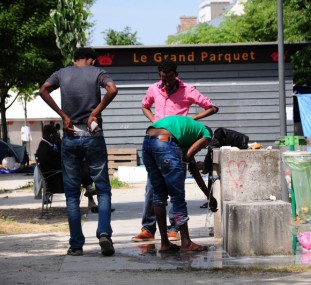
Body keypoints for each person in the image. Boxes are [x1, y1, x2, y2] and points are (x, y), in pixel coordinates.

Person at [39, 47, 118, 257]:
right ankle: (104, 234)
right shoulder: (97, 72)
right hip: (93, 135)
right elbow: (112, 89)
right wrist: (95, 112)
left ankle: (76, 245)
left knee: (72, 195)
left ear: (74, 59)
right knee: (102, 188)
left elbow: (43, 90)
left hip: (71, 136)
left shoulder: (61, 73)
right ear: (92, 59)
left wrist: (63, 115)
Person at [133, 59, 218, 242]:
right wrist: (154, 121)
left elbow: (212, 107)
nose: (166, 82)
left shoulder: (188, 90)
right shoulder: (154, 88)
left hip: (177, 141)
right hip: (159, 138)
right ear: (159, 75)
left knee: (175, 186)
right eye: (163, 78)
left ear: (176, 75)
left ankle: (174, 228)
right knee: (153, 188)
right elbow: (145, 105)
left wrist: (192, 119)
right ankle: (148, 228)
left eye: (170, 78)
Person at [142, 115, 213, 252]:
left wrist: (208, 196)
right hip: (165, 143)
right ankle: (186, 242)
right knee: (177, 196)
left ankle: (164, 243)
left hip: (147, 143)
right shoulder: (206, 133)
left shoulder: (184, 133)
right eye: (201, 147)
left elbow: (191, 167)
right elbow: (188, 157)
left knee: (158, 195)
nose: (199, 149)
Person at [35, 124, 98, 209]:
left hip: (57, 177)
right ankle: (89, 190)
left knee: (82, 165)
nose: (58, 135)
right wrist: (59, 143)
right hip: (57, 182)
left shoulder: (45, 146)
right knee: (82, 166)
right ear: (51, 135)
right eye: (56, 133)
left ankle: (89, 191)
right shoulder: (45, 150)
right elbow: (59, 163)